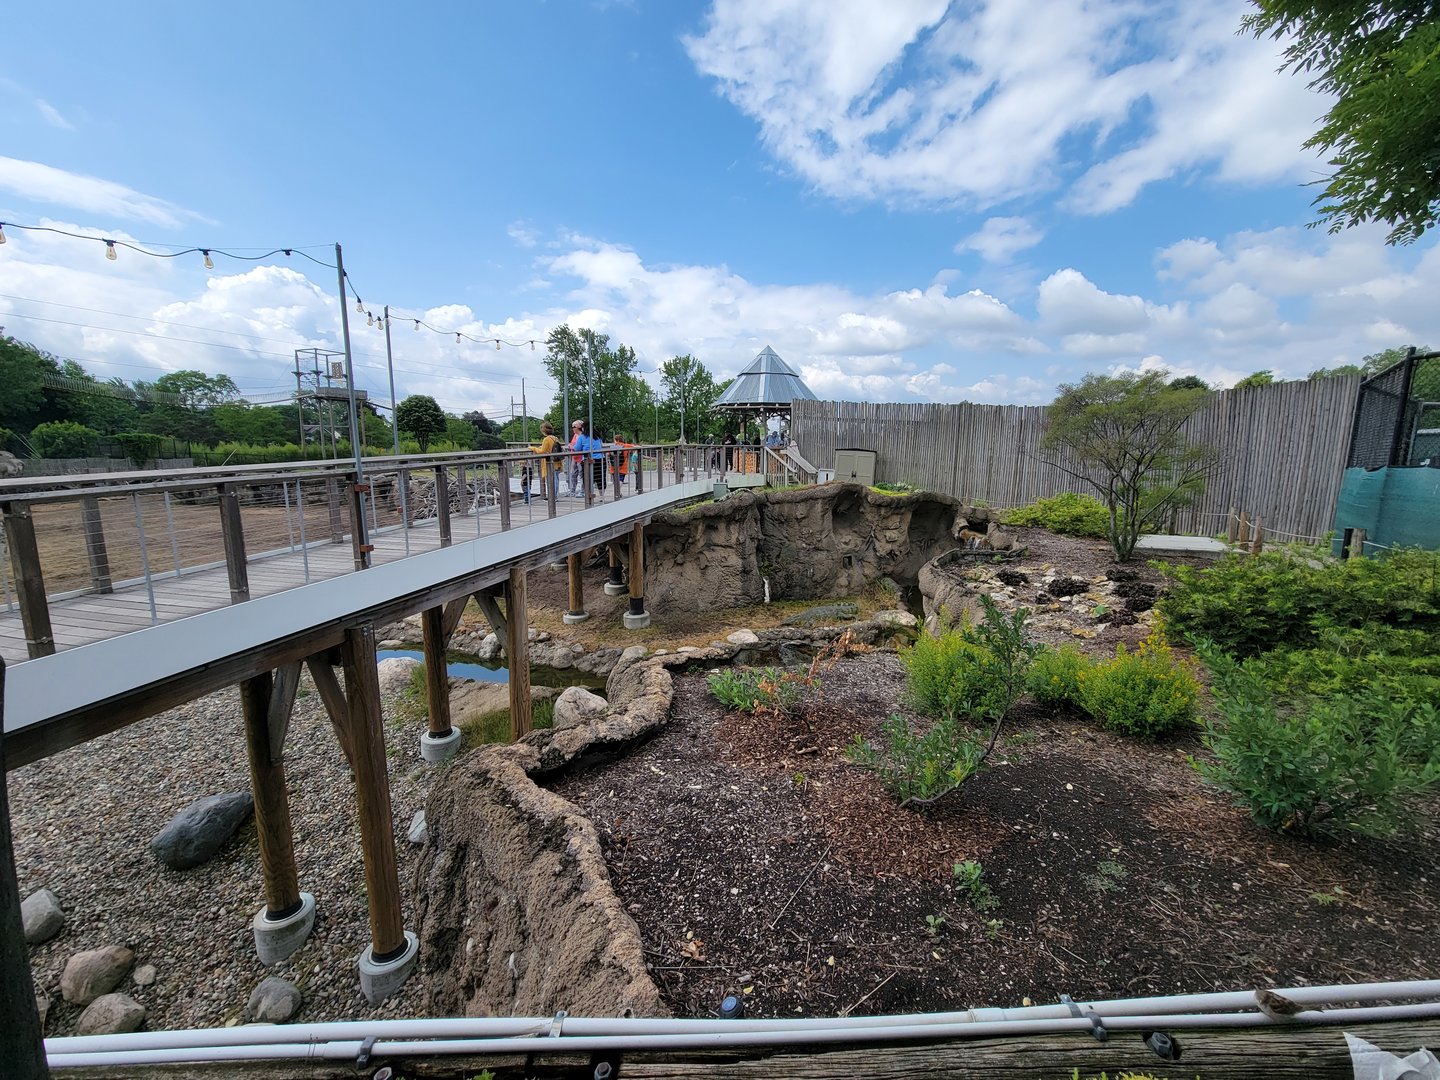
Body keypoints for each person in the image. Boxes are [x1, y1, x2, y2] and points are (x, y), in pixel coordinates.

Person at [530, 421, 564, 503]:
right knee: (556, 479)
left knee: (551, 480)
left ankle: (552, 497)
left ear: (543, 430)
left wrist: (533, 448)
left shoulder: (546, 439)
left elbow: (542, 451)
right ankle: (555, 496)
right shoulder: (555, 438)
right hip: (557, 462)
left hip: (550, 463)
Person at [568, 420, 587, 497]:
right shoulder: (575, 435)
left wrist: (572, 447)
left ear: (579, 427)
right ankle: (572, 491)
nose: (572, 428)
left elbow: (580, 447)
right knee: (573, 474)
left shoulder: (583, 436)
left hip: (581, 458)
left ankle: (583, 491)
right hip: (574, 457)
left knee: (582, 475)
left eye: (574, 427)